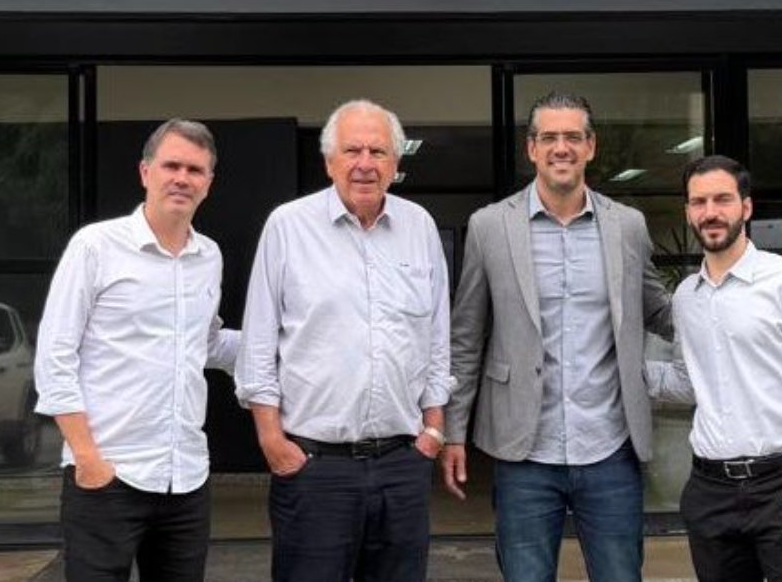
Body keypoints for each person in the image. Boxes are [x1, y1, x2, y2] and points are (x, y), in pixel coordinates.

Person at [441, 91, 674, 582]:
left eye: (572, 137)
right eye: (549, 137)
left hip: (610, 446)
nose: (560, 148)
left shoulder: (627, 226)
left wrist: (730, 317)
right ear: (531, 149)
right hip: (524, 452)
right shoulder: (489, 227)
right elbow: (466, 337)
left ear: (591, 147)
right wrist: (452, 432)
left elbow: (659, 309)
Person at [235, 99, 451, 582]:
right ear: (329, 160)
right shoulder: (288, 226)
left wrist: (433, 429)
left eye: (378, 151)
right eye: (352, 150)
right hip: (315, 467)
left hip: (402, 463)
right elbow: (258, 343)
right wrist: (271, 439)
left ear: (396, 163)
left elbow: (437, 338)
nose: (365, 163)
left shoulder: (419, 227)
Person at [34, 118, 239, 582]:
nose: (182, 178)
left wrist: (289, 343)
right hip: (108, 475)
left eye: (195, 169)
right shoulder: (96, 246)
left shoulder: (209, 256)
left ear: (209, 183)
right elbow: (54, 356)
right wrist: (87, 457)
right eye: (171, 165)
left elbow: (204, 344)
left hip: (185, 477)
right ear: (145, 172)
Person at [647, 154, 782, 582]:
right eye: (699, 202)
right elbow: (688, 382)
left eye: (722, 199)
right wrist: (618, 370)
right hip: (709, 491)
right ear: (688, 212)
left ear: (746, 207)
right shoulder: (686, 296)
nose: (711, 212)